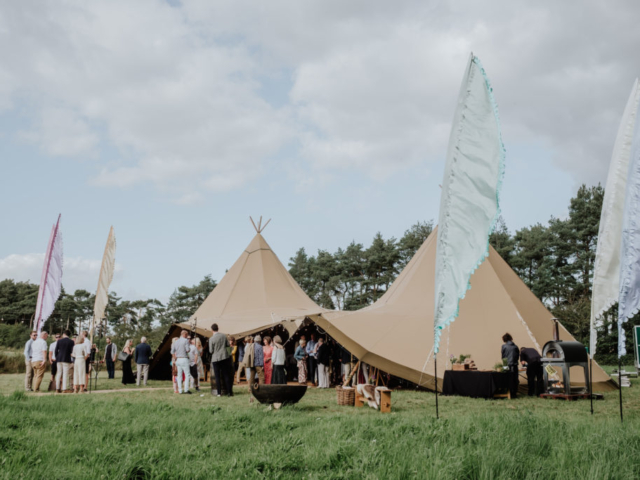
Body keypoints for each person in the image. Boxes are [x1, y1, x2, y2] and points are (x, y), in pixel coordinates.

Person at [208, 324, 233, 397]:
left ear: (212, 330)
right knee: (226, 375)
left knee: (217, 376)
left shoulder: (211, 339)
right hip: (224, 357)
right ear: (218, 328)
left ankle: (219, 393)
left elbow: (210, 350)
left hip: (215, 359)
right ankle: (229, 392)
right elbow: (228, 345)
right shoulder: (224, 336)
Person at [171, 330, 192, 394]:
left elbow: (172, 351)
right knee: (187, 374)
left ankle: (180, 390)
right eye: (186, 335)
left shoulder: (176, 342)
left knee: (179, 375)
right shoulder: (186, 341)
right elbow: (188, 350)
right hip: (184, 358)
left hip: (178, 359)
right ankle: (186, 389)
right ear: (184, 334)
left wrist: (175, 357)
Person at [501, 333, 520, 398]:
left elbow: (503, 356)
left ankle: (508, 392)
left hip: (506, 363)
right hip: (514, 364)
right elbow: (517, 356)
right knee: (515, 378)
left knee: (507, 378)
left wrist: (504, 365)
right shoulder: (515, 346)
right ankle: (514, 392)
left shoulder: (504, 346)